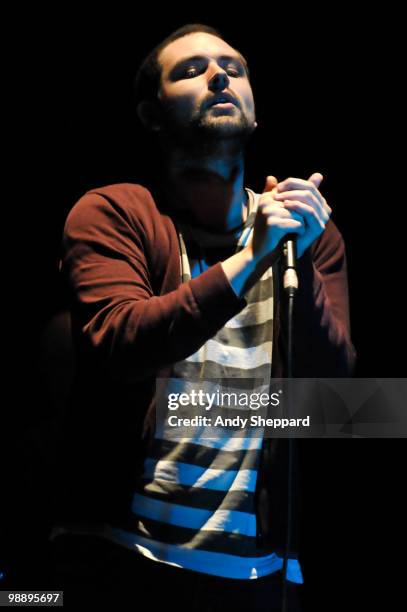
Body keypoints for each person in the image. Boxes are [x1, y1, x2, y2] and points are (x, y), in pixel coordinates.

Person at [49, 24, 356, 611]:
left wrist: (303, 262)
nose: (219, 76)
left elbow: (341, 403)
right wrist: (249, 260)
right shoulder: (115, 212)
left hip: (261, 575)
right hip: (121, 559)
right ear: (152, 113)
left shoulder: (308, 232)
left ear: (255, 109)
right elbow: (119, 347)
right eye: (190, 71)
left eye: (233, 68)